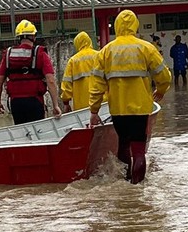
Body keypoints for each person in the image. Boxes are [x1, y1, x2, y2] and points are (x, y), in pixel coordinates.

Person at [88, 10, 171, 184]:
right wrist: (161, 90)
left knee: (123, 144)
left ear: (117, 26)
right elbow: (164, 75)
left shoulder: (105, 51)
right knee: (138, 149)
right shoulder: (146, 48)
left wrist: (94, 111)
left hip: (118, 109)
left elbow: (96, 86)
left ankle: (125, 184)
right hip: (140, 109)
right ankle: (137, 188)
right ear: (135, 25)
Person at [0, 19, 62, 124]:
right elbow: (51, 80)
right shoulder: (40, 53)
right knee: (38, 130)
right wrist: (55, 105)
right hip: (35, 101)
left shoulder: (8, 54)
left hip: (16, 103)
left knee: (21, 130)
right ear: (33, 37)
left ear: (18, 37)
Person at [60, 31, 101, 112]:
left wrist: (66, 102)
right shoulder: (100, 56)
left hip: (81, 106)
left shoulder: (73, 61)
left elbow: (67, 84)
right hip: (101, 103)